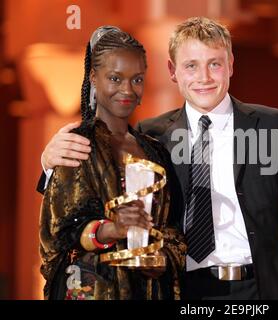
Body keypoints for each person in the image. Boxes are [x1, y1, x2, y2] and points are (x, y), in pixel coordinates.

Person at [38, 17, 278, 300]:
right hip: (181, 289)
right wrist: (48, 163)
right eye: (191, 66)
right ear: (172, 72)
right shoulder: (149, 136)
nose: (204, 77)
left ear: (231, 64)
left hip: (259, 289)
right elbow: (92, 199)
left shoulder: (273, 125)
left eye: (215, 64)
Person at [39, 26, 186, 300]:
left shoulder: (155, 151)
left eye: (137, 79)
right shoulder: (77, 145)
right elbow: (58, 233)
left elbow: (174, 229)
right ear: (94, 78)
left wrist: (162, 257)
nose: (127, 90)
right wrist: (111, 229)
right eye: (115, 78)